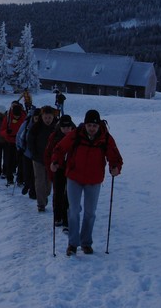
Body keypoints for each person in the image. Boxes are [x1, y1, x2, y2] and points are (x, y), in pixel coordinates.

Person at [51, 109, 123, 256]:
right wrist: (55, 161)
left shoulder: (105, 138)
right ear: (85, 124)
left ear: (99, 126)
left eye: (94, 126)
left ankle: (86, 243)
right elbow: (60, 148)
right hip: (74, 178)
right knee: (74, 211)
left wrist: (115, 167)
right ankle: (72, 243)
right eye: (89, 125)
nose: (92, 128)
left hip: (94, 180)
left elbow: (114, 156)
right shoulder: (76, 134)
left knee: (90, 213)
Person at [44, 114, 76, 232]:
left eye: (68, 128)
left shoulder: (76, 136)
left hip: (72, 170)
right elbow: (48, 154)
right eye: (63, 128)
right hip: (58, 169)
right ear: (60, 127)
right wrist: (51, 168)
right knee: (58, 193)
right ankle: (57, 217)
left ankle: (66, 218)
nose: (66, 130)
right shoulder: (54, 136)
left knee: (69, 195)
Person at [27, 105, 57, 212]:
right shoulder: (36, 127)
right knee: (39, 180)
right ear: (42, 117)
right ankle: (41, 204)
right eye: (45, 118)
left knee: (48, 181)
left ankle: (45, 195)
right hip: (38, 158)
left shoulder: (56, 127)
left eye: (50, 118)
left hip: (51, 159)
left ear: (53, 117)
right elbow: (30, 140)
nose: (48, 120)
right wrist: (33, 153)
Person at [0, 101, 26, 186]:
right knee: (9, 161)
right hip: (9, 142)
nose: (16, 117)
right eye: (15, 116)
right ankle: (9, 178)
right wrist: (6, 132)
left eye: (18, 116)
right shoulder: (7, 117)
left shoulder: (24, 116)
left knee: (20, 161)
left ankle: (20, 179)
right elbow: (1, 131)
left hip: (20, 142)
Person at [16, 107, 39, 199]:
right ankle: (27, 184)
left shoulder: (42, 126)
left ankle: (32, 191)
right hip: (26, 152)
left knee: (35, 174)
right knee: (27, 172)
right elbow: (19, 135)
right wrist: (19, 147)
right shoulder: (27, 124)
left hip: (37, 154)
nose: (37, 120)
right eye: (36, 118)